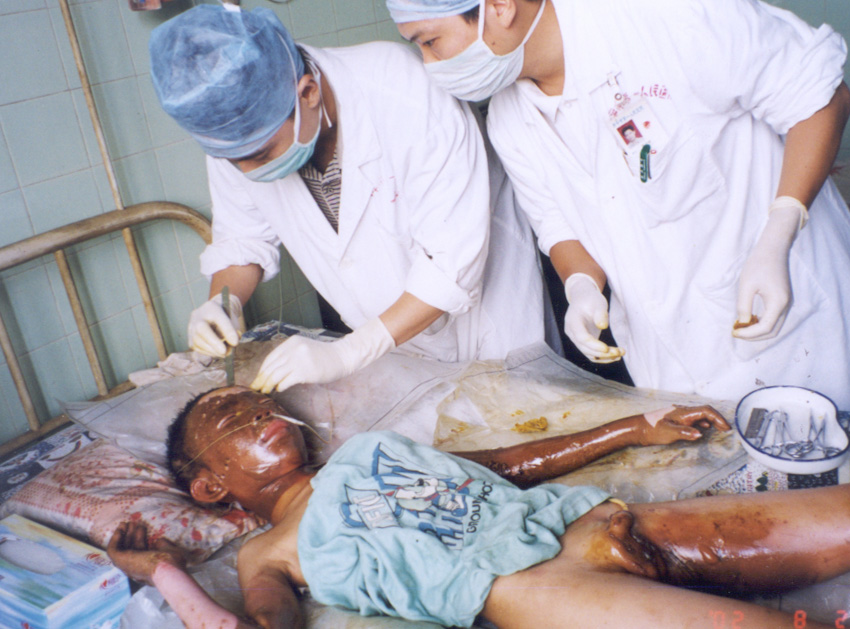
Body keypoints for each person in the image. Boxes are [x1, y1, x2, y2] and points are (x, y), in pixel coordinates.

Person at [384, 0, 850, 420]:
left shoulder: (666, 18)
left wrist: (781, 229)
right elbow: (557, 226)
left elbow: (820, 98)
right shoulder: (510, 120)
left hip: (791, 332)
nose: (430, 65)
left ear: (498, 7)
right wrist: (580, 285)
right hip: (667, 356)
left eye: (429, 42)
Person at [107, 386, 850, 628]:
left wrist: (635, 427)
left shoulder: (366, 449)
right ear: (210, 485)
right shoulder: (269, 553)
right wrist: (165, 575)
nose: (260, 413)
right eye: (232, 420)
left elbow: (507, 464)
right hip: (530, 590)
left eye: (260, 402)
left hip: (583, 520)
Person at [148, 4, 554, 393]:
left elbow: (451, 264)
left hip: (489, 321)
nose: (249, 172)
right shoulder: (237, 134)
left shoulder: (403, 90)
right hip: (389, 345)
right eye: (233, 160)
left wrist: (349, 352)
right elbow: (243, 239)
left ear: (308, 93)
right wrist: (224, 303)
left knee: (524, 418)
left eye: (262, 154)